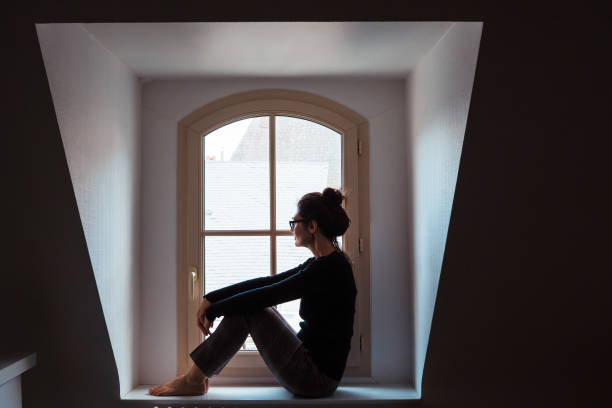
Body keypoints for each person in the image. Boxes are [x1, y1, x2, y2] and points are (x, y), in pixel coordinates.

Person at [149, 187, 357, 398]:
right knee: (251, 306)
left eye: (295, 223)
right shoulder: (322, 264)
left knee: (252, 309)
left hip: (315, 380)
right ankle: (194, 379)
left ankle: (192, 380)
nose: (291, 229)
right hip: (311, 370)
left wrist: (214, 310)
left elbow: (268, 294)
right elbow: (267, 283)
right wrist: (211, 298)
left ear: (312, 226)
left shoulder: (330, 269)